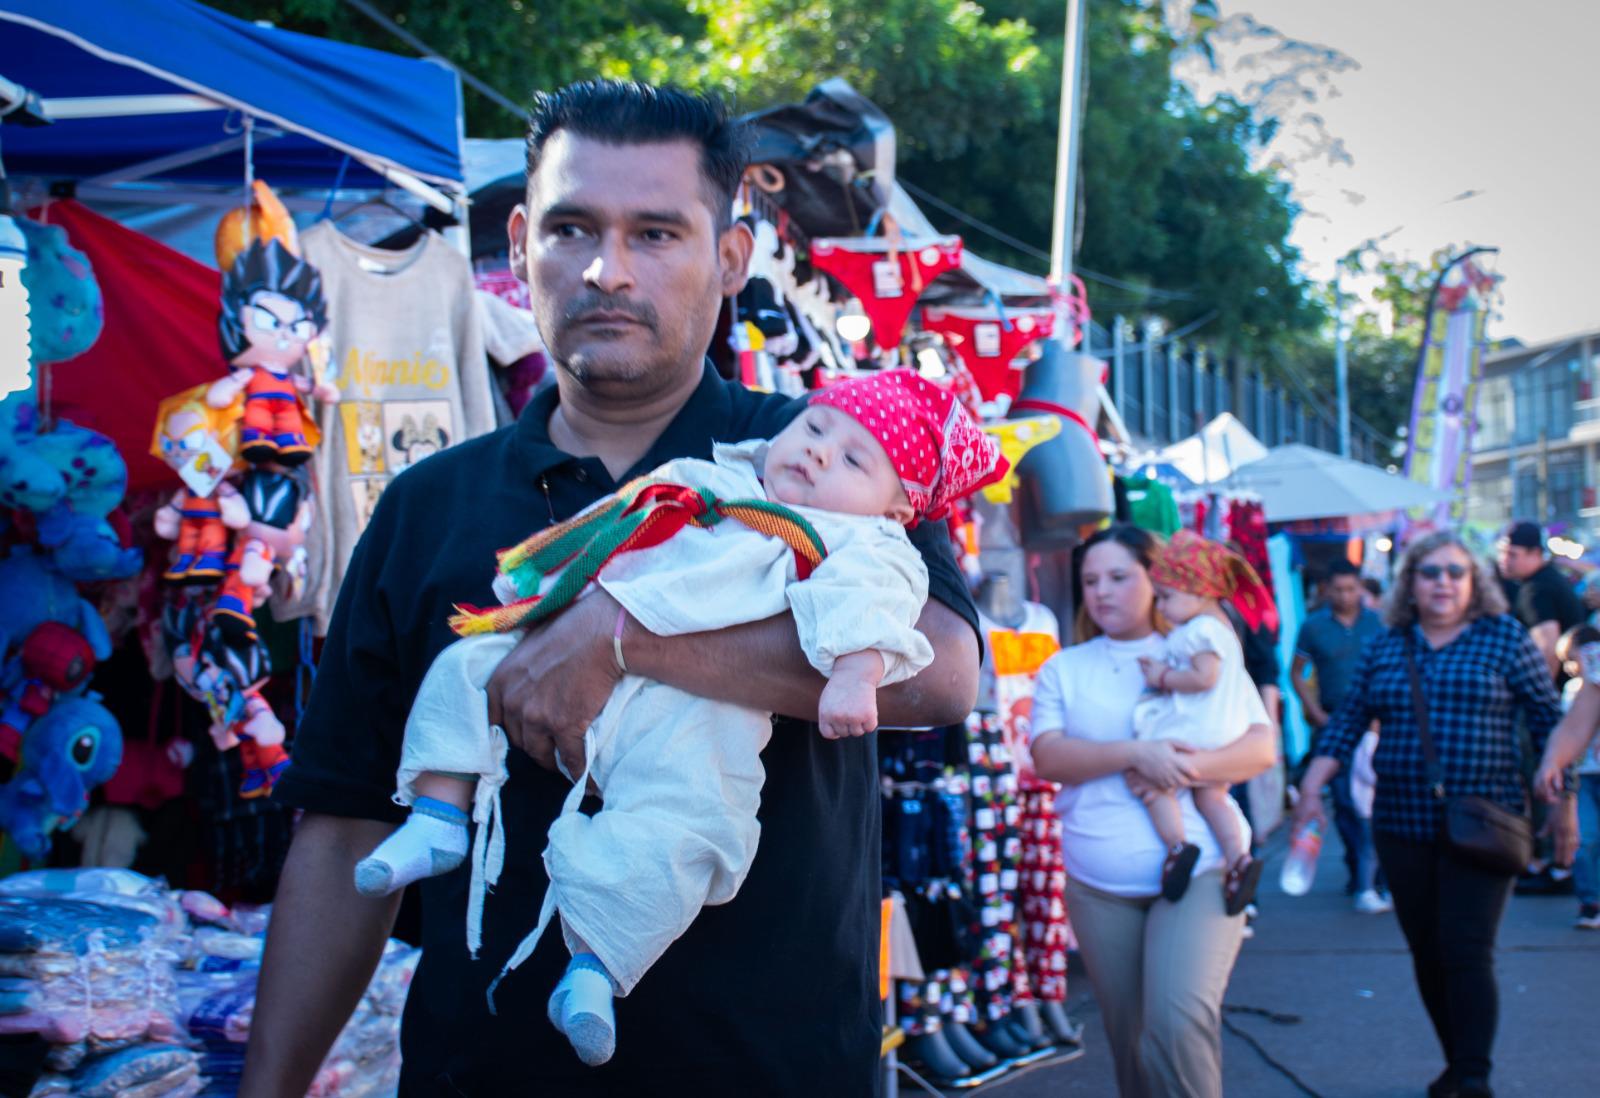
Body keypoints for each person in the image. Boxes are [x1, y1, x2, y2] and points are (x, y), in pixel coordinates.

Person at [242, 81, 984, 1097]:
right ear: (517, 246)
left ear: (730, 257)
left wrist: (624, 637)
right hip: (483, 1074)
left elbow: (941, 674)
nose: (606, 270)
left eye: (656, 234)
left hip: (773, 1071)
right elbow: (342, 831)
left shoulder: (828, 464)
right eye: (572, 228)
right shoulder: (427, 508)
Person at [352, 370, 1004, 1066]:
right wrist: (541, 573)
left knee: (682, 822)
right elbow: (617, 520)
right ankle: (439, 812)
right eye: (816, 429)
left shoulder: (865, 545)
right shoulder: (708, 479)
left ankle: (597, 967)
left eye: (853, 460)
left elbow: (873, 612)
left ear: (898, 509)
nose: (818, 453)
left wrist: (854, 675)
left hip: (695, 717)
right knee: (468, 664)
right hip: (572, 663)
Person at [1292, 530, 1576, 1098]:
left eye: (1455, 572)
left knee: (1466, 947)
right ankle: (1457, 1061)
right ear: (1411, 583)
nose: (1442, 582)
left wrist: (1561, 805)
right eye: (1430, 572)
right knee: (1426, 949)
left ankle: (1474, 1076)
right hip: (1402, 823)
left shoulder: (1503, 638)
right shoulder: (1387, 644)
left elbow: (1549, 721)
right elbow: (1348, 721)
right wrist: (1308, 791)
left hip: (1485, 819)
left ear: (1474, 583)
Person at [1029, 525, 1276, 1098]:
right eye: (1090, 580)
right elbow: (1048, 757)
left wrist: (1179, 767)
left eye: (1119, 576)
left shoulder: (1203, 647)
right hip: (1098, 885)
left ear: (1158, 577)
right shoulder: (1066, 667)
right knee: (1131, 1039)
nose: (1102, 592)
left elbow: (1260, 749)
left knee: (1175, 1026)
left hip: (1204, 873)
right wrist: (1136, 753)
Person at [1131, 530, 1275, 913]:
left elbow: (1203, 678)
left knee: (1149, 781)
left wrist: (1161, 676)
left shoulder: (1201, 631)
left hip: (1194, 729)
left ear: (1198, 590)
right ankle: (1238, 859)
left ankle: (1178, 846)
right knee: (1212, 795)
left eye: (1166, 596)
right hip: (1224, 732)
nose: (1159, 607)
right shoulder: (1221, 628)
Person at [1292, 558, 1387, 911]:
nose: (1345, 596)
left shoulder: (1377, 623)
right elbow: (1297, 672)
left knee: (1375, 804)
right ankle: (1358, 869)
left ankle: (1375, 877)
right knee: (1345, 802)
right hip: (1333, 723)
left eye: (1351, 589)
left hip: (1376, 726)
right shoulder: (1313, 627)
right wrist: (1314, 710)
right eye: (1338, 589)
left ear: (1360, 588)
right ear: (1326, 590)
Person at [1533, 625, 1600, 929]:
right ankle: (1591, 903)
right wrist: (1552, 764)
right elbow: (1576, 725)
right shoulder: (1595, 663)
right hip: (1586, 774)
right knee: (1585, 840)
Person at [1498, 520, 1586, 679]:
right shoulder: (1545, 579)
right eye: (1502, 552)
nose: (1503, 560)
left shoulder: (1537, 590)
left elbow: (1547, 650)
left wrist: (1541, 698)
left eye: (1512, 554)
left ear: (1535, 553)